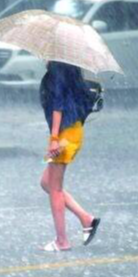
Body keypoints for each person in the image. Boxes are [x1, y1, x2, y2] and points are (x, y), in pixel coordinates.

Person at [39, 60, 100, 252]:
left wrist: (54, 138)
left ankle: (62, 241)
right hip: (73, 131)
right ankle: (86, 219)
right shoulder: (70, 66)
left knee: (55, 188)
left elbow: (58, 105)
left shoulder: (58, 68)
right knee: (46, 182)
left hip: (64, 135)